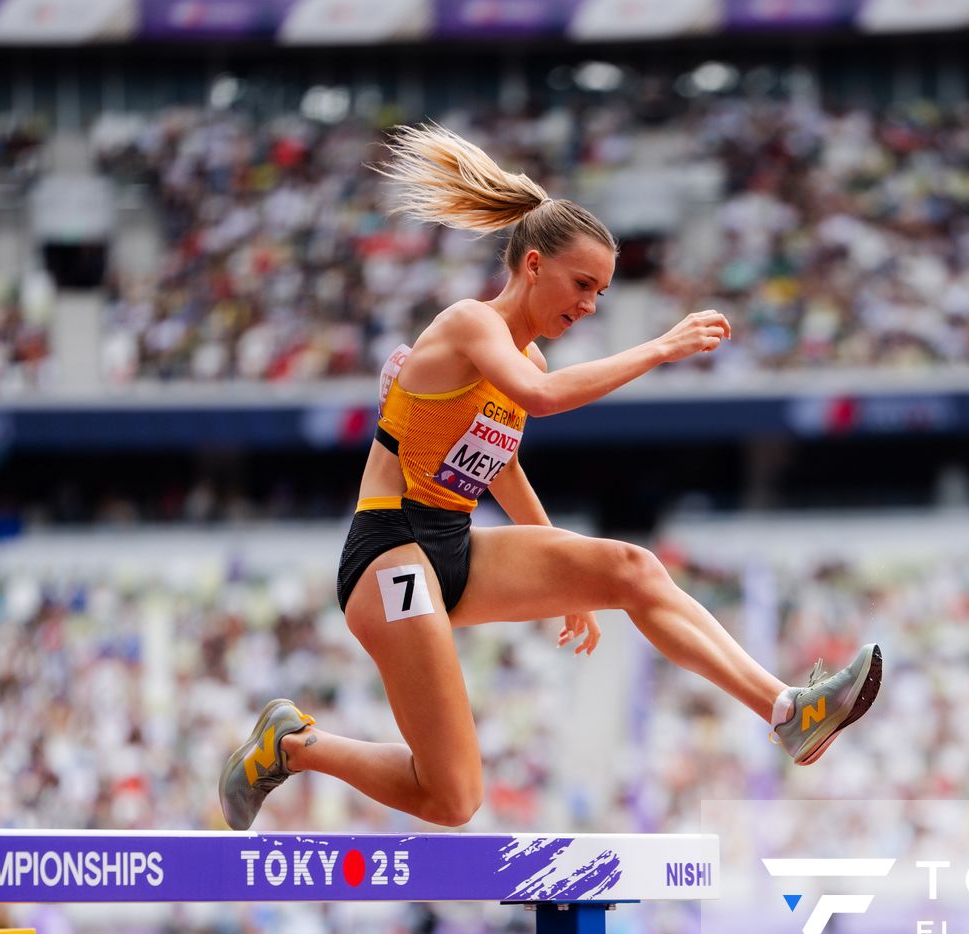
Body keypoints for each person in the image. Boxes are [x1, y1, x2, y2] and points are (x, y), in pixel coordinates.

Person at [220, 124, 881, 832]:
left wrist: (565, 578)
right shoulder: (470, 325)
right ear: (533, 266)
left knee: (631, 569)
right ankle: (292, 748)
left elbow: (499, 466)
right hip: (389, 550)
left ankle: (787, 711)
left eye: (601, 292)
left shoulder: (526, 361)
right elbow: (543, 401)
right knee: (453, 800)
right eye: (582, 285)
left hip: (454, 543)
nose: (590, 305)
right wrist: (660, 346)